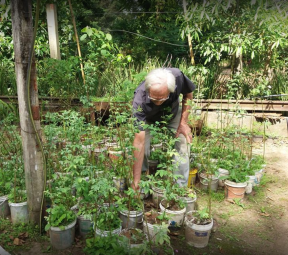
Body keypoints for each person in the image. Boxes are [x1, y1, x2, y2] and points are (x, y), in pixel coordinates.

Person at [131, 67, 196, 190]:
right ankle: (142, 183)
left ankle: (179, 189)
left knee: (182, 144)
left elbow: (188, 94)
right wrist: (135, 181)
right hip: (148, 118)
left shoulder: (178, 77)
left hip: (173, 114)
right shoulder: (139, 100)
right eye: (154, 98)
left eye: (162, 98)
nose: (158, 102)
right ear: (148, 89)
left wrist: (183, 122)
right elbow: (138, 141)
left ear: (172, 89)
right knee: (142, 149)